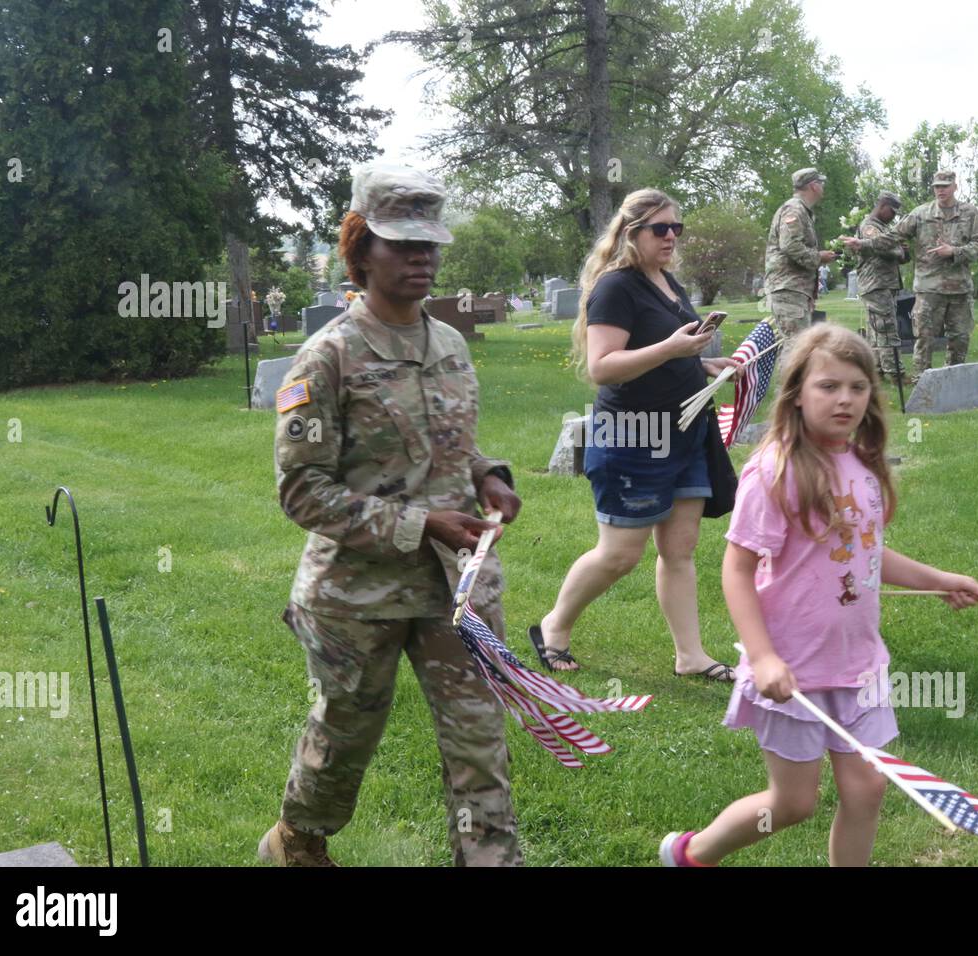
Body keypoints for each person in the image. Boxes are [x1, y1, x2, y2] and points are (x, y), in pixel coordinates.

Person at [262, 164, 524, 867]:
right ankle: (297, 840)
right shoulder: (328, 357)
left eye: (430, 245)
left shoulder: (449, 344)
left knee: (480, 747)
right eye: (401, 244)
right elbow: (302, 490)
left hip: (454, 589)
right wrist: (420, 523)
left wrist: (487, 475)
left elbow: (449, 445)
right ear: (359, 250)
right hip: (358, 595)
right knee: (345, 737)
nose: (421, 258)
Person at [659, 324, 978, 867]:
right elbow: (736, 570)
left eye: (858, 388)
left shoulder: (862, 464)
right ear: (797, 394)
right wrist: (762, 656)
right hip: (795, 670)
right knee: (792, 804)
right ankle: (692, 853)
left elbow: (871, 553)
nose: (845, 400)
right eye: (828, 386)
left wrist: (939, 579)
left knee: (868, 790)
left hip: (858, 664)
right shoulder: (775, 471)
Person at [530, 189, 740, 681]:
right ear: (632, 233)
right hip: (633, 435)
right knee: (621, 554)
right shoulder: (616, 287)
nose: (671, 236)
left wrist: (701, 360)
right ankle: (554, 627)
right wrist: (671, 348)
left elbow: (666, 350)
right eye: (660, 228)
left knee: (680, 549)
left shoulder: (667, 281)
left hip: (686, 429)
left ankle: (690, 656)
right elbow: (603, 368)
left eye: (676, 228)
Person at [891, 171, 978, 381]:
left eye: (945, 185)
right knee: (924, 337)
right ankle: (921, 380)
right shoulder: (921, 214)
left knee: (960, 338)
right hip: (929, 288)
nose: (940, 190)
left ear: (955, 186)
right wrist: (863, 244)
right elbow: (893, 236)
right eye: (937, 186)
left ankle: (952, 378)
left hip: (959, 289)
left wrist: (954, 251)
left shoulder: (969, 213)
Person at [838, 191, 910, 382]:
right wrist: (899, 250)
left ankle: (876, 369)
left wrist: (902, 251)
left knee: (876, 330)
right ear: (882, 206)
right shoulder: (870, 226)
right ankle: (895, 373)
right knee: (887, 329)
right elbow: (884, 248)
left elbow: (898, 251)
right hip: (877, 283)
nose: (894, 215)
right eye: (892, 211)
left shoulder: (883, 227)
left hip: (882, 284)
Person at [764, 168, 838, 344]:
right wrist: (819, 258)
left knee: (798, 346)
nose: (823, 186)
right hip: (788, 288)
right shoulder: (794, 209)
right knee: (795, 347)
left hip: (794, 289)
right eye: (821, 183)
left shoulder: (801, 210)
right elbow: (790, 245)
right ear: (813, 186)